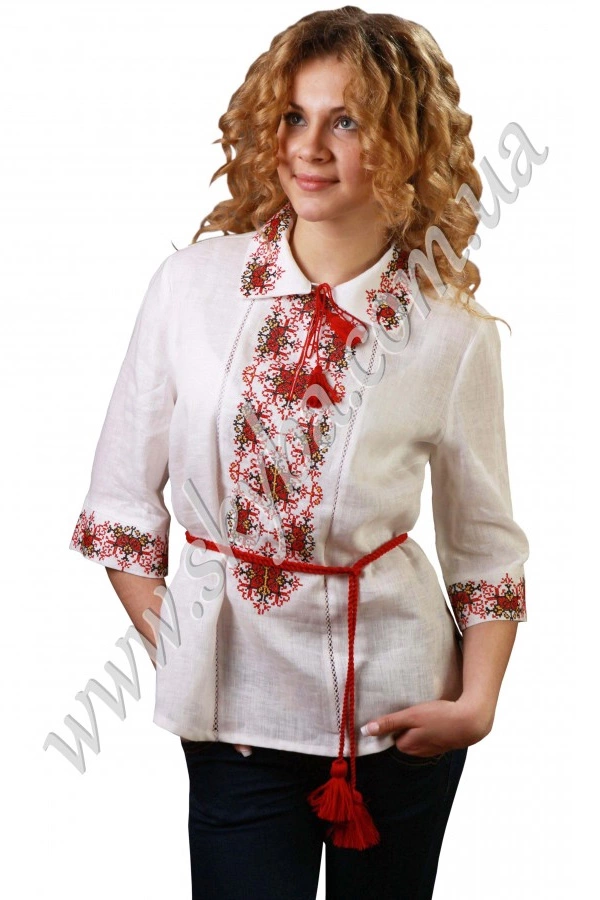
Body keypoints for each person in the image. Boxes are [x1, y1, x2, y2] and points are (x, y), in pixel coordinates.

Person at [68, 6, 529, 899]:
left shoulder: (449, 332)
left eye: (345, 121)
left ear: (405, 141)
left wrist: (475, 707)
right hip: (233, 724)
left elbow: (485, 548)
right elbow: (120, 506)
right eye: (293, 116)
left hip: (400, 720)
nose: (309, 147)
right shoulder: (189, 288)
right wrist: (186, 646)